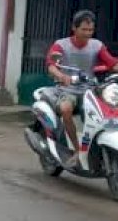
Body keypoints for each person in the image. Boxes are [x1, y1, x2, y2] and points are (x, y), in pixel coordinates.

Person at [46, 9, 118, 167]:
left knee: (107, 110)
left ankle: (95, 148)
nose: (87, 33)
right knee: (65, 109)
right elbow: (51, 66)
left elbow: (112, 63)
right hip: (68, 89)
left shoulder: (97, 45)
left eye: (91, 30)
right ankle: (76, 150)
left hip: (90, 89)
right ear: (74, 28)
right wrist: (61, 76)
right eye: (84, 29)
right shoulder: (61, 45)